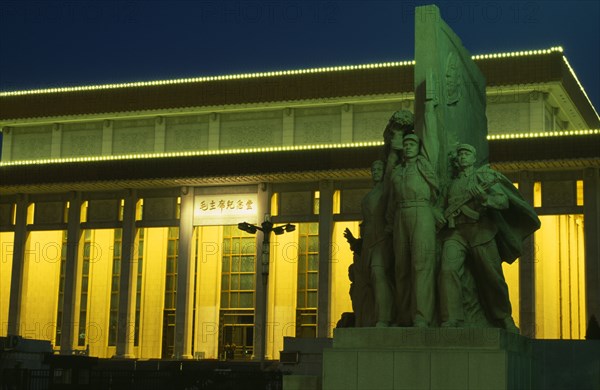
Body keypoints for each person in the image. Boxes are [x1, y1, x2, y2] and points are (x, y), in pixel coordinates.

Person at [438, 143, 540, 332]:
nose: (462, 157)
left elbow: (502, 201)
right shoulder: (452, 184)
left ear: (474, 158)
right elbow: (443, 207)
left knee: (492, 277)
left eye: (466, 154)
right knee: (447, 269)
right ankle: (451, 317)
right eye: (460, 154)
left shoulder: (484, 177)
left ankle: (504, 317)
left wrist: (484, 197)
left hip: (481, 232)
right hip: (457, 233)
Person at [386, 133, 444, 327]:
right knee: (401, 267)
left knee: (421, 264)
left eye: (412, 143)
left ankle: (422, 316)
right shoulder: (397, 171)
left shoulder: (423, 165)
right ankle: (403, 315)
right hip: (401, 213)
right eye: (406, 144)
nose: (408, 147)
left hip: (421, 210)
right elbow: (391, 199)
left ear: (419, 147)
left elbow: (437, 188)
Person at [361, 160, 394, 326]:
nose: (376, 171)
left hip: (382, 238)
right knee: (373, 279)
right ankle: (375, 316)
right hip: (369, 240)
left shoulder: (386, 191)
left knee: (378, 273)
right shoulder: (370, 194)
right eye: (373, 169)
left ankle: (384, 317)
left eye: (380, 168)